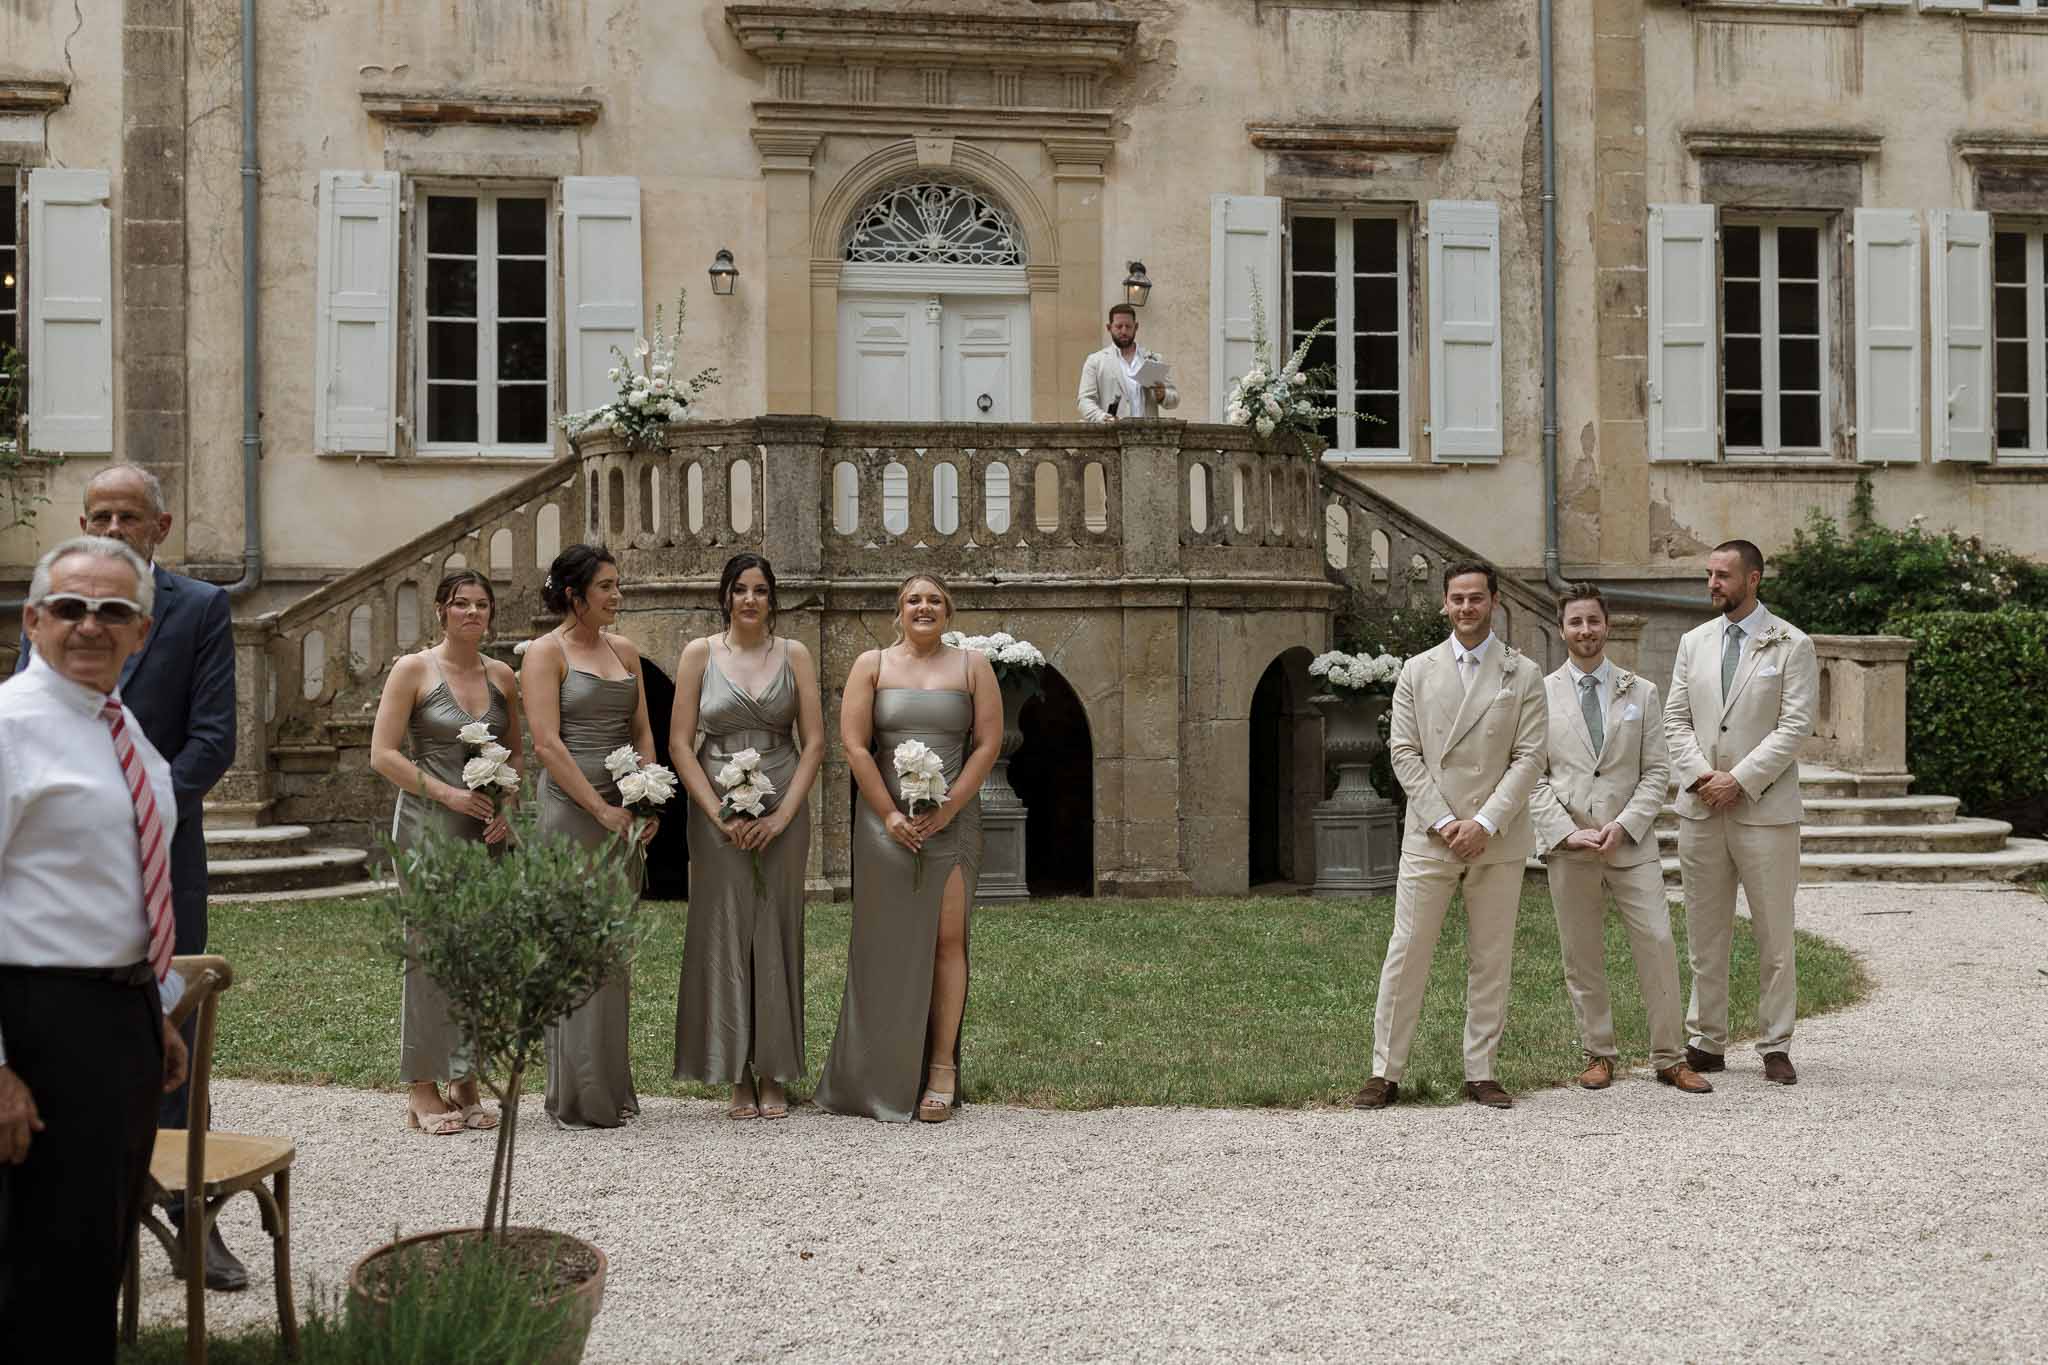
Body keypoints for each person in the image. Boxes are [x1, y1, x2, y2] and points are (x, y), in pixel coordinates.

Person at [14, 464, 242, 1288]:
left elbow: (213, 740)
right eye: (99, 516)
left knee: (163, 1046)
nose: (112, 529)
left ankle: (190, 1217)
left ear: (161, 526)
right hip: (56, 896)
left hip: (161, 865)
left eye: (128, 517)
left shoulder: (200, 609)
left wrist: (138, 810)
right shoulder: (56, 619)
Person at [0, 536, 191, 1363]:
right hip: (35, 1026)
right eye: (70, 607)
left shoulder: (120, 726)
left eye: (113, 610)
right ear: (33, 618)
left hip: (117, 1022)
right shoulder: (12, 727)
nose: (90, 624)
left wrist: (155, 1010)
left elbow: (116, 881)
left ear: (141, 631)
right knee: (32, 1274)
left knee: (93, 1262)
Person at [1354, 560, 1547, 1111]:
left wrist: (1484, 822)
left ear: (1494, 602)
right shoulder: (1417, 670)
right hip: (1430, 835)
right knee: (1408, 950)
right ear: (1444, 603)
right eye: (1458, 599)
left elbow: (1530, 755)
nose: (1467, 608)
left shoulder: (1523, 672)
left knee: (1491, 954)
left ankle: (1481, 1070)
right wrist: (1445, 821)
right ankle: (1384, 1071)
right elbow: (1404, 752)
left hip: (1497, 836)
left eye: (1477, 599)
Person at [815, 574, 1000, 1123]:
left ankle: (940, 1068)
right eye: (914, 600)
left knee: (948, 939)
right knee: (883, 943)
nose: (925, 607)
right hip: (883, 822)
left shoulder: (973, 667)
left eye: (935, 600)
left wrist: (946, 811)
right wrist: (891, 814)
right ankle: (875, 1072)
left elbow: (987, 744)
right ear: (899, 611)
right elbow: (854, 744)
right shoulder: (871, 665)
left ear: (950, 610)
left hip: (954, 820)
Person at [1528, 585, 1710, 1096]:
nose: (1585, 631)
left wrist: (1625, 824)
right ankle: (1598, 1053)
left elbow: (1656, 773)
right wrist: (1568, 832)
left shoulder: (1642, 692)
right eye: (1575, 623)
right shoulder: (1538, 695)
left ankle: (1670, 1057)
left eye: (1593, 621)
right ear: (1562, 629)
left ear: (1607, 626)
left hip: (1631, 845)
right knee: (1581, 952)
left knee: (1656, 941)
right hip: (1571, 846)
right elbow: (1533, 777)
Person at [669, 554, 826, 1120]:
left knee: (776, 928)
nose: (750, 600)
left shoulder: (795, 655)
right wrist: (717, 813)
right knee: (724, 931)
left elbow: (814, 742)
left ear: (773, 599)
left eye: (761, 590)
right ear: (725, 596)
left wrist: (782, 816)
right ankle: (734, 1070)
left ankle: (775, 1069)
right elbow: (681, 744)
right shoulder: (698, 655)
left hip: (782, 807)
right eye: (740, 590)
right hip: (717, 814)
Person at [368, 570, 520, 1135]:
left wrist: (505, 805)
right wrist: (448, 792)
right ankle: (422, 1086)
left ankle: (467, 1076)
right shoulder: (413, 670)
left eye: (482, 605)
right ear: (441, 611)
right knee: (430, 949)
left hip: (484, 834)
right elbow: (382, 754)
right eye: (461, 604)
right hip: (428, 827)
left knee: (477, 950)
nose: (472, 613)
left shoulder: (503, 675)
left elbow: (517, 758)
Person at [1665, 540, 1817, 1086]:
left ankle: (1775, 1042)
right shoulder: (1693, 642)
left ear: (1754, 579)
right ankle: (1706, 1039)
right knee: (1705, 931)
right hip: (1701, 808)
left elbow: (1795, 727)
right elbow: (1675, 720)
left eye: (1723, 575)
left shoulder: (1792, 644)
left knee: (1774, 933)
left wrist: (1741, 780)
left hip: (1766, 812)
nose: (1712, 584)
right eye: (1708, 574)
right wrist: (1704, 778)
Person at [521, 545, 658, 1129]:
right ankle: (575, 1095)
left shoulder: (624, 651)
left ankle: (610, 1087)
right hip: (572, 813)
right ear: (575, 595)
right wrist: (600, 810)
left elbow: (642, 728)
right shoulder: (543, 655)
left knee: (611, 950)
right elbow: (547, 745)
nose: (617, 596)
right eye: (606, 587)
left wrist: (646, 796)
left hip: (622, 814)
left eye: (617, 585)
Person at [1078, 303, 1179, 422]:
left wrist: (1163, 395)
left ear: (1136, 327)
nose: (1124, 331)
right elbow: (1085, 401)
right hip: (1112, 435)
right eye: (1119, 326)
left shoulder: (1153, 359)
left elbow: (1174, 400)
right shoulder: (1095, 361)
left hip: (1148, 436)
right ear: (1109, 328)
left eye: (1128, 326)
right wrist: (1104, 418)